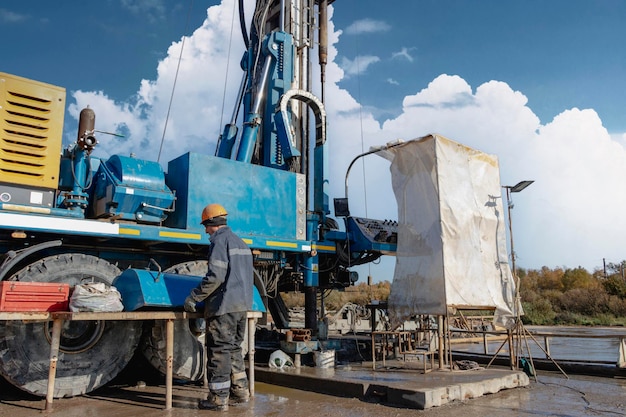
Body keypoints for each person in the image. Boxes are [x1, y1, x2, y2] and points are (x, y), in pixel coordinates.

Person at [184, 203, 253, 411]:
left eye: (205, 226)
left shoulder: (219, 241)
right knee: (233, 349)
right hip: (241, 307)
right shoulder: (241, 243)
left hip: (223, 307)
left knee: (219, 351)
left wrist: (194, 297)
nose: (205, 231)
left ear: (212, 223)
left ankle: (218, 399)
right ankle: (241, 392)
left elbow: (216, 276)